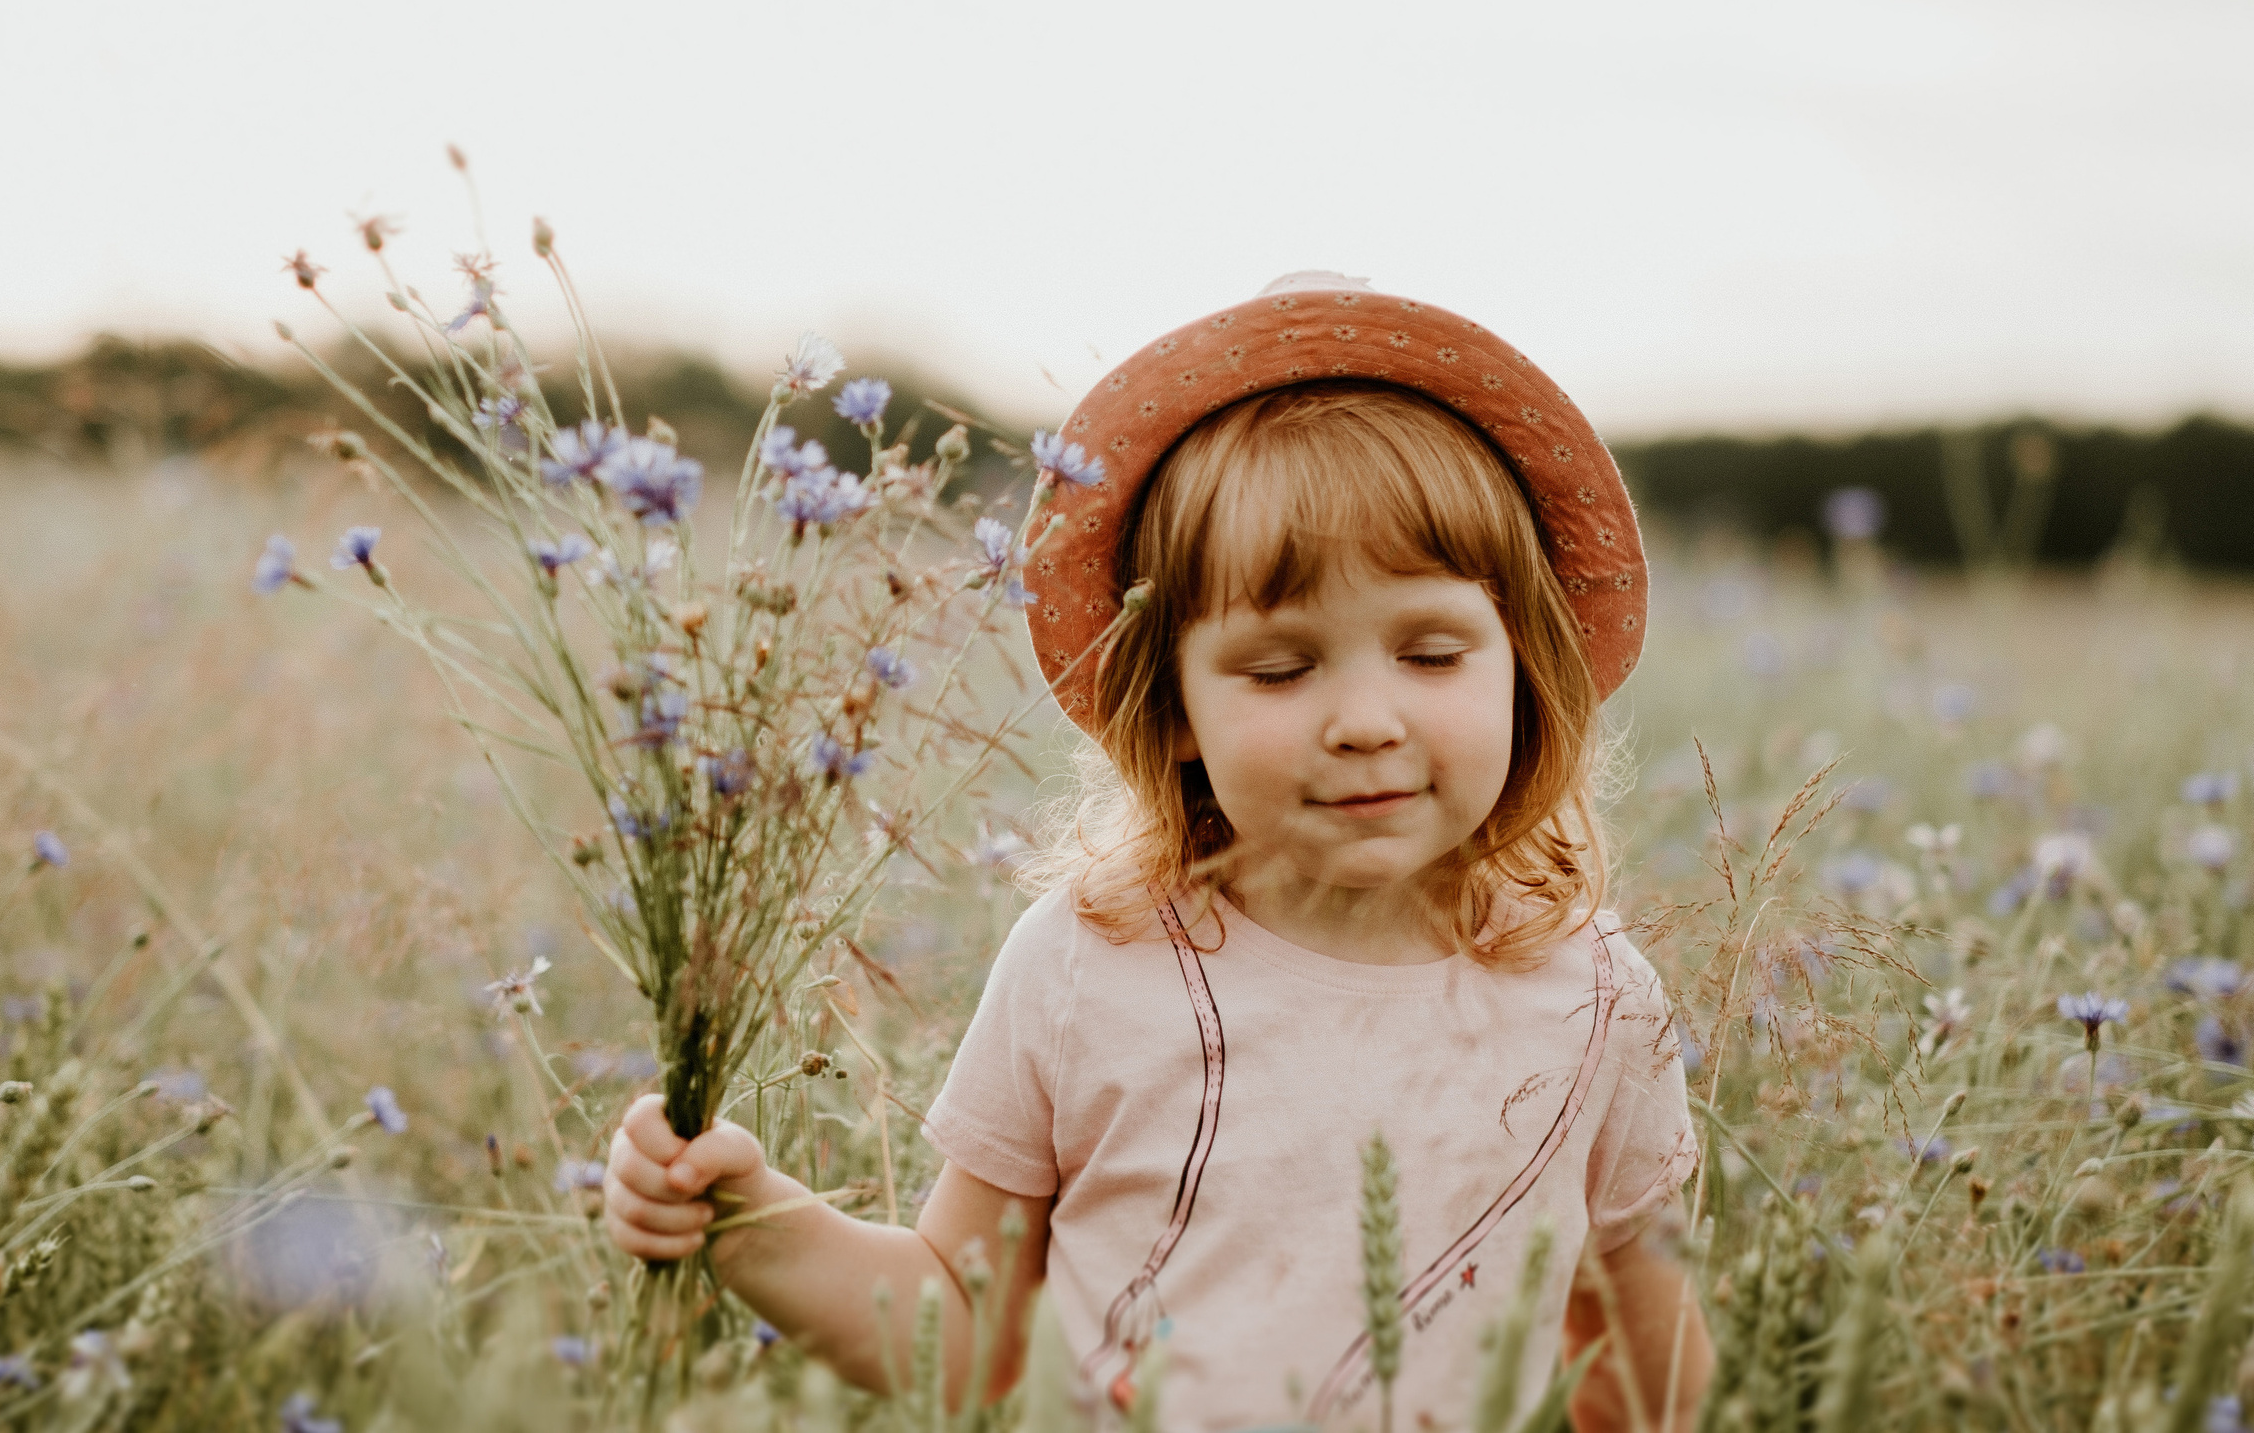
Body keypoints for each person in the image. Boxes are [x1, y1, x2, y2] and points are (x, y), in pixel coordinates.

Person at [605, 271, 1709, 1430]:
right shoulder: (1090, 964)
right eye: (1281, 668)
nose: (1366, 719)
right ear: (1172, 704)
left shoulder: (1596, 1002)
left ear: (1526, 669)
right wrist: (754, 1223)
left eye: (1432, 654)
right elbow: (964, 1333)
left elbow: (1642, 1377)